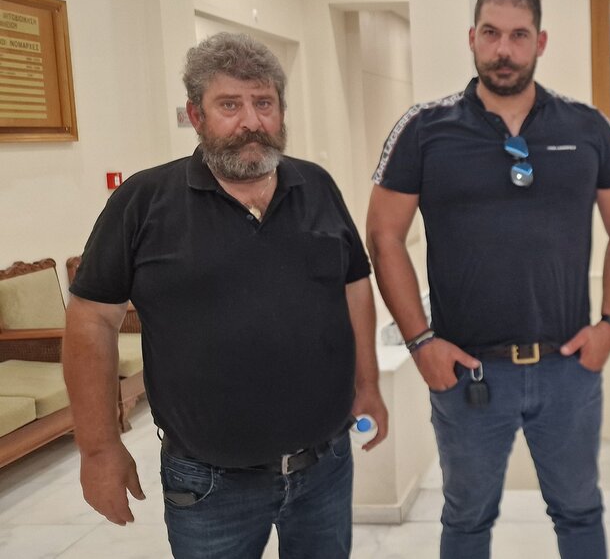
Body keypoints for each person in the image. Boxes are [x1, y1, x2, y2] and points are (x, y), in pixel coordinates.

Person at [63, 32, 388, 559]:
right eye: (229, 105)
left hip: (325, 467)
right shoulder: (143, 202)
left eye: (264, 103)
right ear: (196, 115)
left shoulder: (317, 186)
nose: (251, 121)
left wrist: (368, 383)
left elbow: (354, 285)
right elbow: (92, 321)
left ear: (281, 111)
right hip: (209, 484)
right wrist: (99, 448)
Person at [366, 0, 610, 559]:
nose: (504, 50)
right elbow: (383, 235)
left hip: (568, 369)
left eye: (519, 36)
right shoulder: (424, 129)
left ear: (540, 42)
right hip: (468, 373)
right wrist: (420, 342)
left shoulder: (586, 127)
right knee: (466, 520)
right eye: (491, 33)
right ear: (472, 37)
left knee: (579, 513)